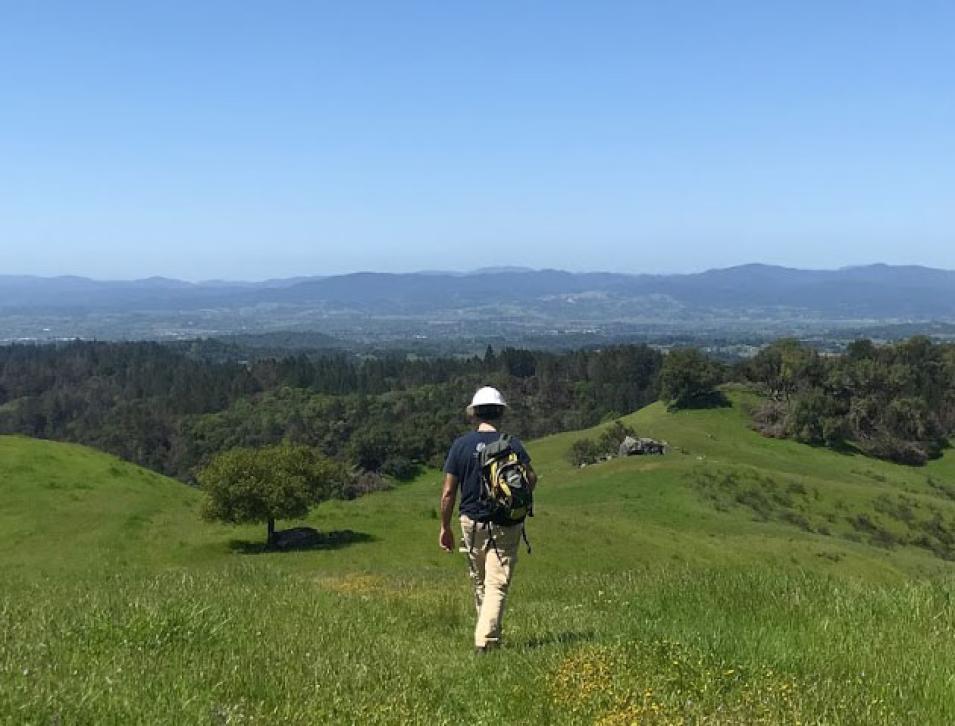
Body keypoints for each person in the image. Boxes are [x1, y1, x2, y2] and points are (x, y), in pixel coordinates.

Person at [439, 386, 538, 653]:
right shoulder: (512, 443)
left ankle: (487, 633)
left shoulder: (460, 446)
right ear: (500, 413)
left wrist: (445, 527)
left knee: (482, 581)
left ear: (474, 414)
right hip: (506, 522)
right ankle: (486, 642)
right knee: (497, 582)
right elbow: (531, 479)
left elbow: (449, 492)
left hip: (471, 522)